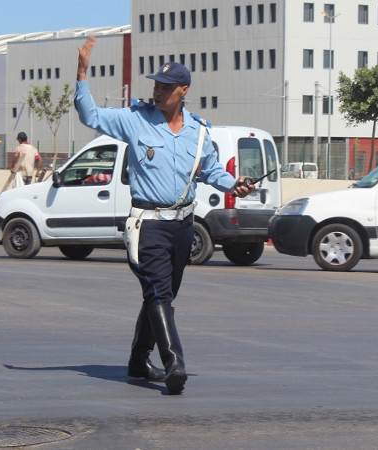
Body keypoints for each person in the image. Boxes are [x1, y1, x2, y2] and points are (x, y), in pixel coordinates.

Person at [75, 36, 254, 394]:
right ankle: (175, 363)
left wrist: (233, 184)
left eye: (166, 87)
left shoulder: (199, 131)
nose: (158, 91)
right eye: (156, 85)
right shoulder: (135, 120)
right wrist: (81, 71)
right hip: (148, 224)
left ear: (183, 91)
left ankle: (138, 361)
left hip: (183, 226)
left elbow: (211, 170)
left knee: (163, 294)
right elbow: (89, 115)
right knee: (158, 291)